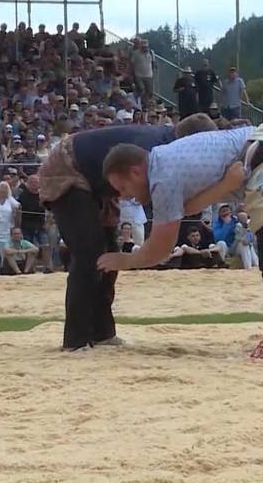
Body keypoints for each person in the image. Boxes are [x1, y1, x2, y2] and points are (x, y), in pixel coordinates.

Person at [98, 123, 263, 362]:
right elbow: (190, 207)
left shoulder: (161, 179)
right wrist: (226, 184)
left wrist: (123, 259)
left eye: (123, 188)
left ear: (135, 171)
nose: (124, 197)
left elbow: (160, 249)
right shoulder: (168, 157)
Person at [37, 118, 216, 352]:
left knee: (110, 255)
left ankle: (102, 332)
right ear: (193, 142)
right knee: (89, 253)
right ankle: (76, 339)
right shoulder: (156, 151)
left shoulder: (166, 150)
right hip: (68, 167)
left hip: (99, 182)